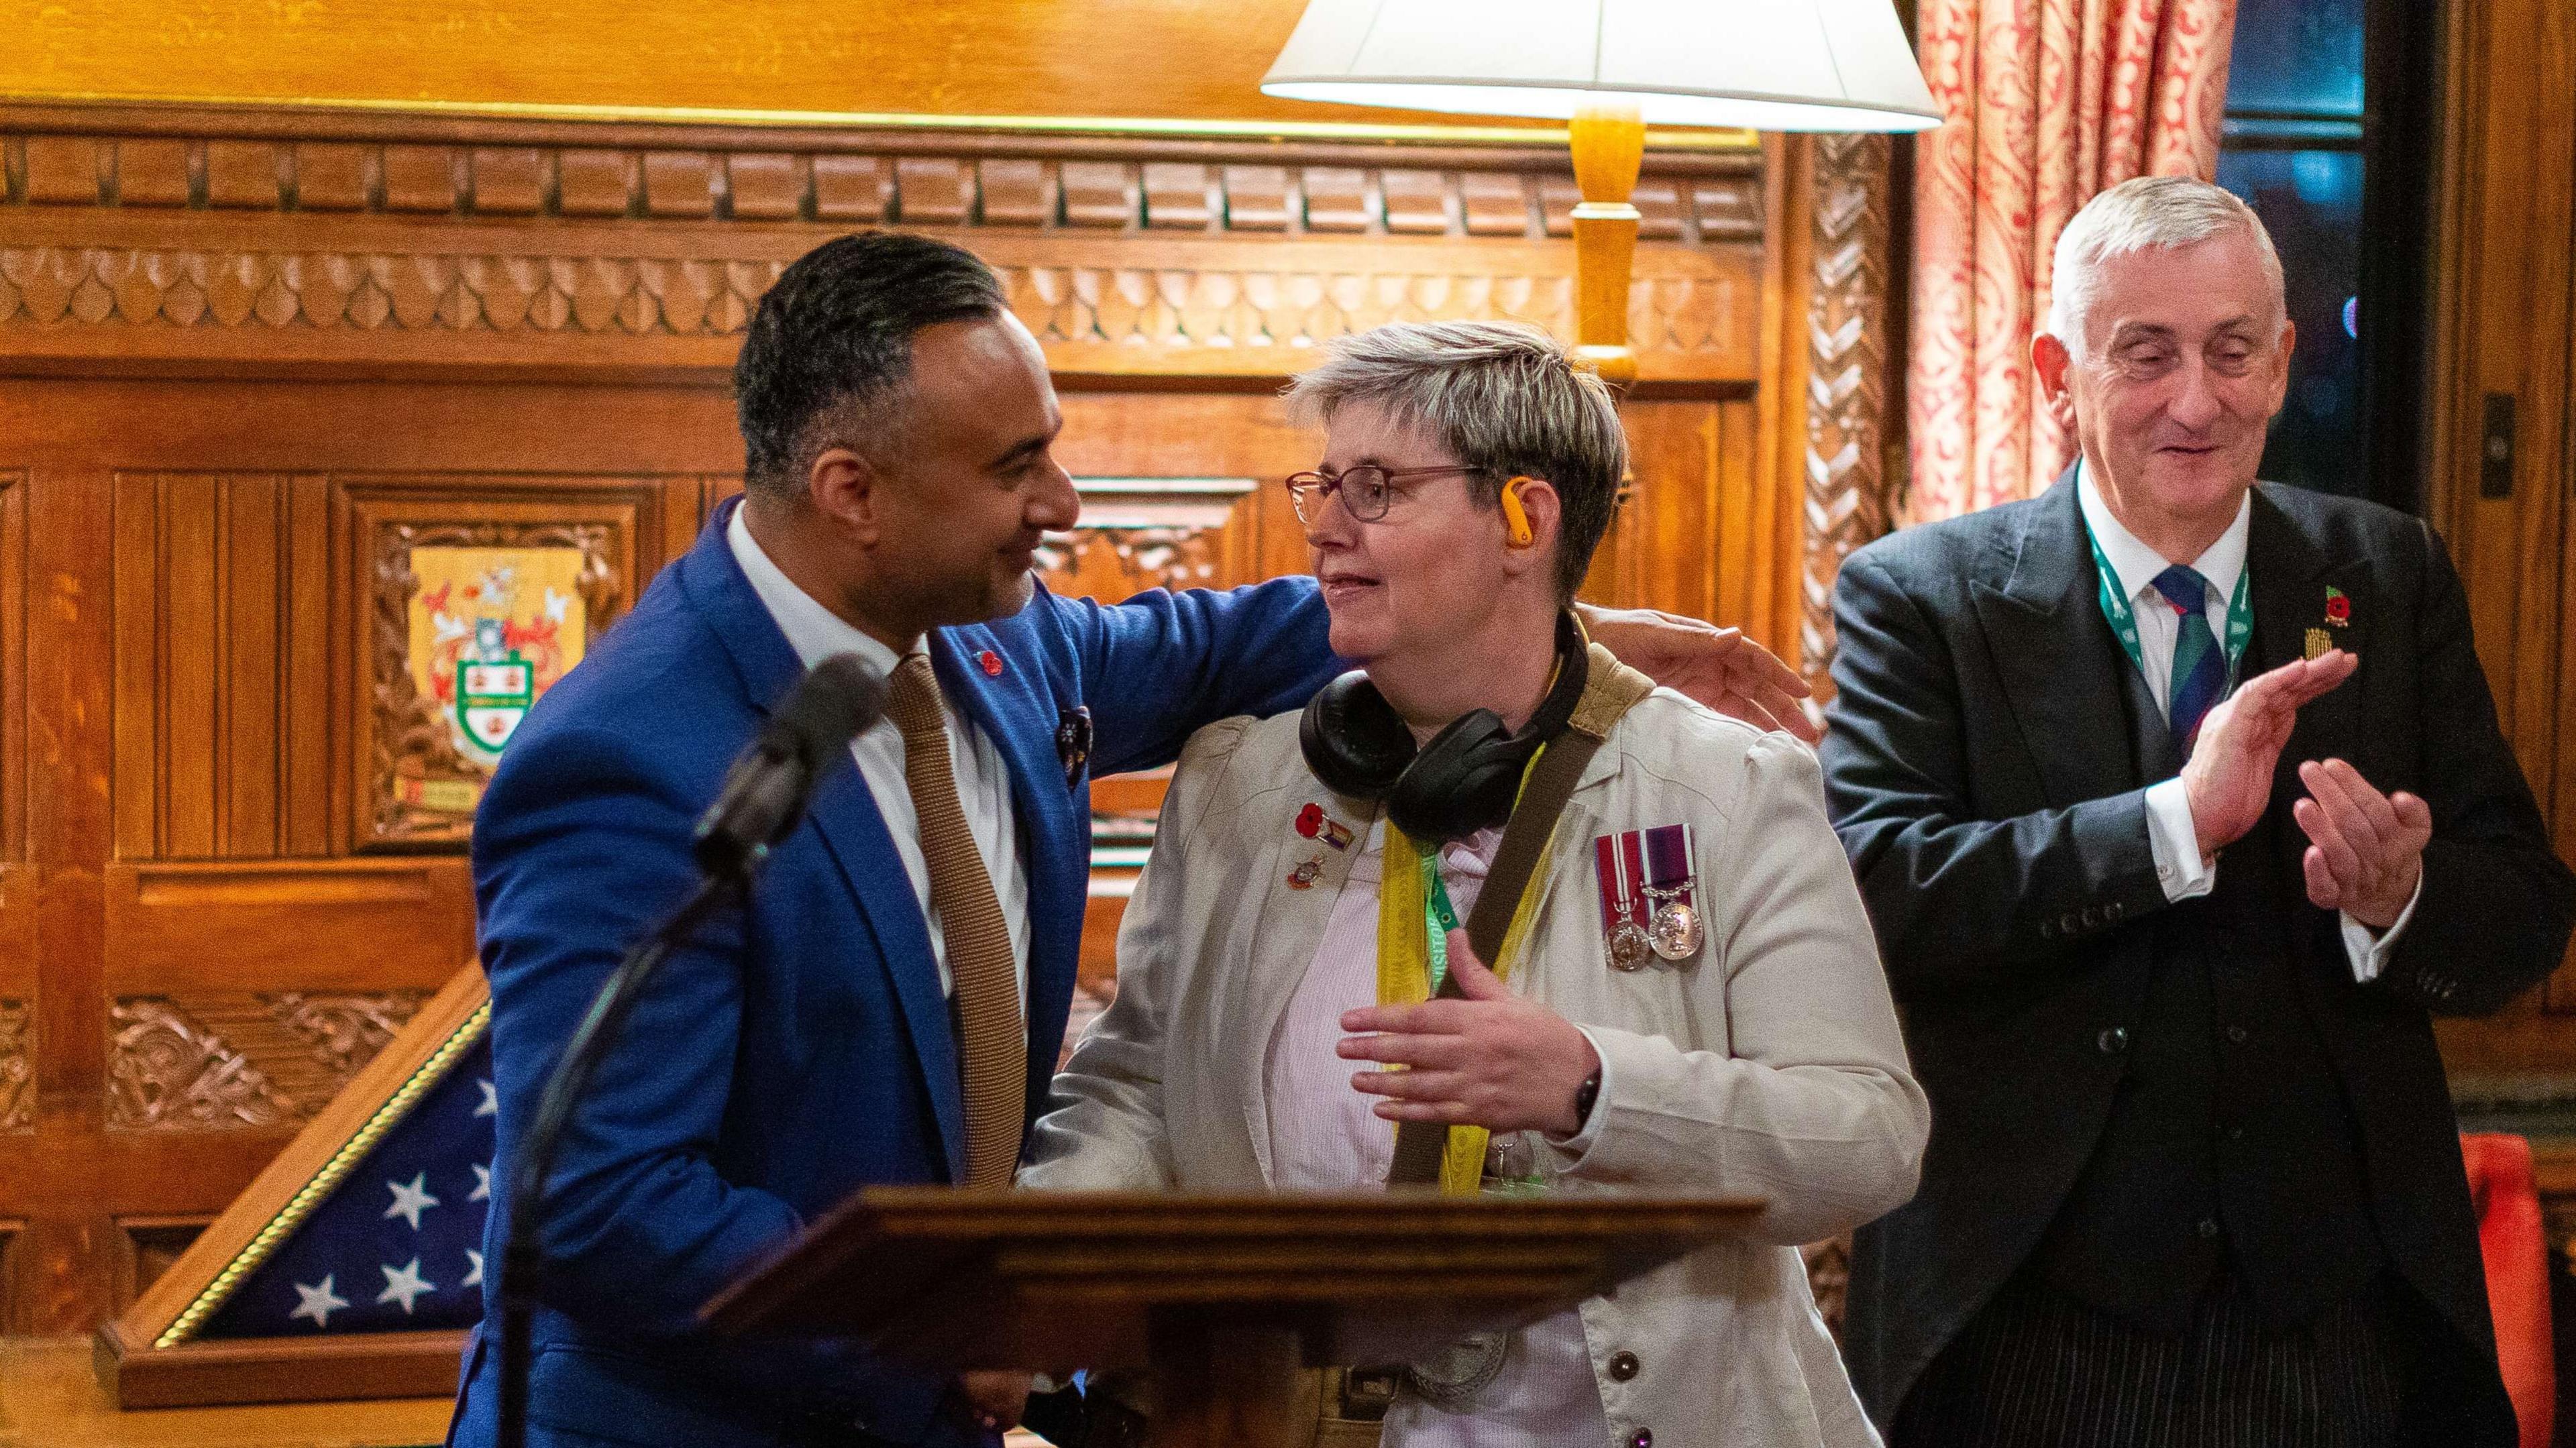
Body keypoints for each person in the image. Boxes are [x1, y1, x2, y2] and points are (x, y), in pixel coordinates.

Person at [449, 233, 1817, 1448]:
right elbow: (600, 1202)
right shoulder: (628, 760)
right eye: (1014, 468)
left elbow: (1221, 643)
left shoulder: (1000, 645)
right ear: (853, 491)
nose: (1063, 502)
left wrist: (1542, 624)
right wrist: (951, 1313)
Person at [1026, 320, 1927, 1448]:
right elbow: (1134, 1097)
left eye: (1376, 487)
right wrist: (1023, 1298)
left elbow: (1868, 1137)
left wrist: (1594, 1087)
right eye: (1323, 484)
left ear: (1524, 520)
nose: (1323, 525)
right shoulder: (1236, 787)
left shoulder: (1727, 787)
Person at [1824, 175, 2576, 1447]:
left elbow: (2526, 911)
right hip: (2027, 1311)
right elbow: (1880, 890)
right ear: (2058, 375)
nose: (2196, 401)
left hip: (2337, 1317)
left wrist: (2402, 898)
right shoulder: (1923, 597)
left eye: (2232, 352)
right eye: (2146, 354)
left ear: (2282, 365)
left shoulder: (2386, 573)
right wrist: (2170, 827)